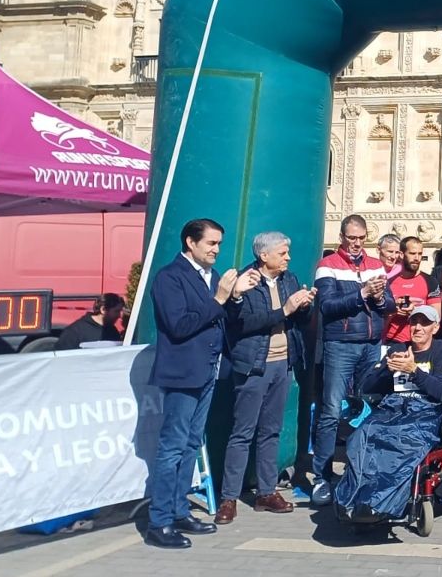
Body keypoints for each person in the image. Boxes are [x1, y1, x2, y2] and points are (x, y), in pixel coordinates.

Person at [146, 218, 261, 549]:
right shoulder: (170, 277)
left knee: (190, 444)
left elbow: (223, 320)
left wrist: (235, 298)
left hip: (208, 371)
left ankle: (180, 510)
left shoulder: (209, 277)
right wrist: (221, 298)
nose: (216, 250)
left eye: (219, 244)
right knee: (172, 446)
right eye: (211, 243)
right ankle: (160, 521)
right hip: (183, 373)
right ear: (190, 243)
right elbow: (180, 325)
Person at [218, 231, 315, 524]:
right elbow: (243, 324)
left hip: (282, 365)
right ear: (264, 256)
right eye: (283, 253)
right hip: (253, 365)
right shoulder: (246, 282)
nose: (288, 258)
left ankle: (266, 492)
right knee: (242, 432)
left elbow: (298, 321)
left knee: (271, 430)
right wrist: (285, 309)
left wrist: (304, 306)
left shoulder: (289, 279)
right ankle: (229, 498)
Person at [334, 306, 442, 518]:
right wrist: (386, 371)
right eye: (414, 322)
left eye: (424, 323)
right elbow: (367, 387)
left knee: (402, 439)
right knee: (364, 433)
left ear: (435, 327)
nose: (417, 327)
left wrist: (414, 371)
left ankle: (383, 503)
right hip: (394, 409)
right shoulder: (397, 349)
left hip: (426, 411)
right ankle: (354, 499)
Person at [310, 214, 390, 505]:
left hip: (371, 344)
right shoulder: (327, 265)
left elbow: (389, 303)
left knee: (371, 409)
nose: (357, 244)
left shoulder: (376, 265)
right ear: (341, 237)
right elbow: (328, 306)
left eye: (361, 238)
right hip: (341, 345)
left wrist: (381, 299)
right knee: (331, 410)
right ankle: (322, 476)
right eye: (351, 238)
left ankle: (364, 470)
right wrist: (362, 293)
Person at [384, 236, 442, 343]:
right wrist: (393, 311)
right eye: (412, 253)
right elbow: (380, 318)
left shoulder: (430, 281)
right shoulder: (389, 282)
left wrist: (414, 311)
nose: (417, 258)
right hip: (393, 341)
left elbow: (437, 316)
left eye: (420, 254)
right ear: (401, 255)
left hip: (420, 342)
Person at [55, 292, 126, 349]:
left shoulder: (112, 330)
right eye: (116, 311)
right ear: (103, 310)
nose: (119, 315)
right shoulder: (74, 332)